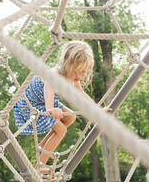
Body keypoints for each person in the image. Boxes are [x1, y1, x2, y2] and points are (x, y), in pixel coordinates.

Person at [13, 40, 110, 174]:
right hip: (32, 104)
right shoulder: (55, 73)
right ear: (69, 65)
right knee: (61, 130)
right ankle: (40, 165)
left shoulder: (74, 78)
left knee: (70, 117)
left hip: (47, 102)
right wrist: (50, 109)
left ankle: (43, 146)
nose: (83, 75)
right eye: (80, 71)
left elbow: (81, 94)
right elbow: (48, 88)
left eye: (85, 71)